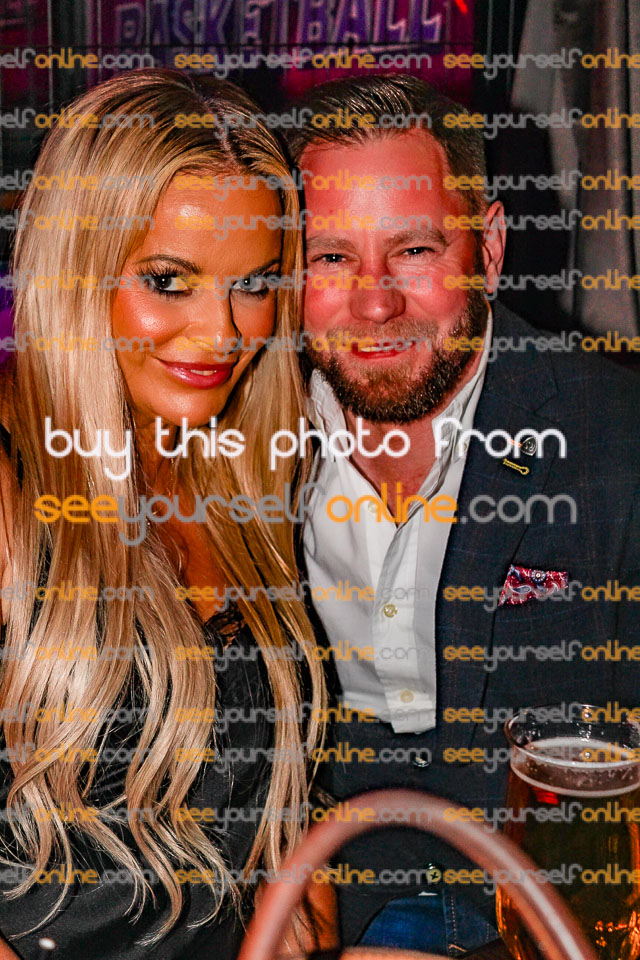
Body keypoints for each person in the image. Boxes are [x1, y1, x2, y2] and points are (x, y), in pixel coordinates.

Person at [286, 74, 640, 956]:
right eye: (331, 257)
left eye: (413, 249)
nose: (375, 302)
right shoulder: (241, 444)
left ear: (488, 248)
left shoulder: (613, 440)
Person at [0, 69, 332, 959]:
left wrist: (306, 929)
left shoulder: (251, 471)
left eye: (254, 283)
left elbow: (275, 815)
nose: (223, 332)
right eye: (168, 280)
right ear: (77, 270)